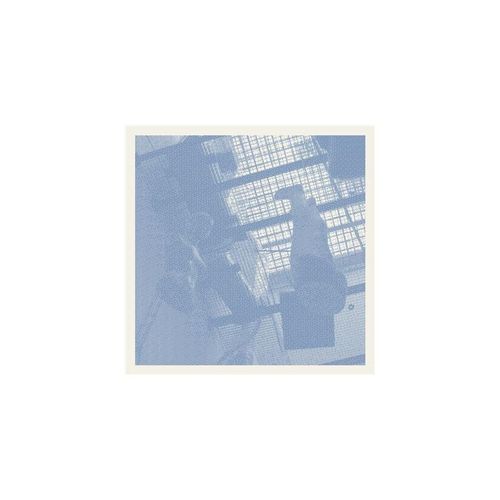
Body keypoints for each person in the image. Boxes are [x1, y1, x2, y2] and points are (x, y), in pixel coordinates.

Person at [274, 185, 347, 316]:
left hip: (314, 265)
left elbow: (340, 277)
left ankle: (306, 204)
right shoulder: (323, 301)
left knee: (310, 230)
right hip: (308, 265)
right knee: (304, 228)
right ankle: (297, 196)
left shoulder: (331, 298)